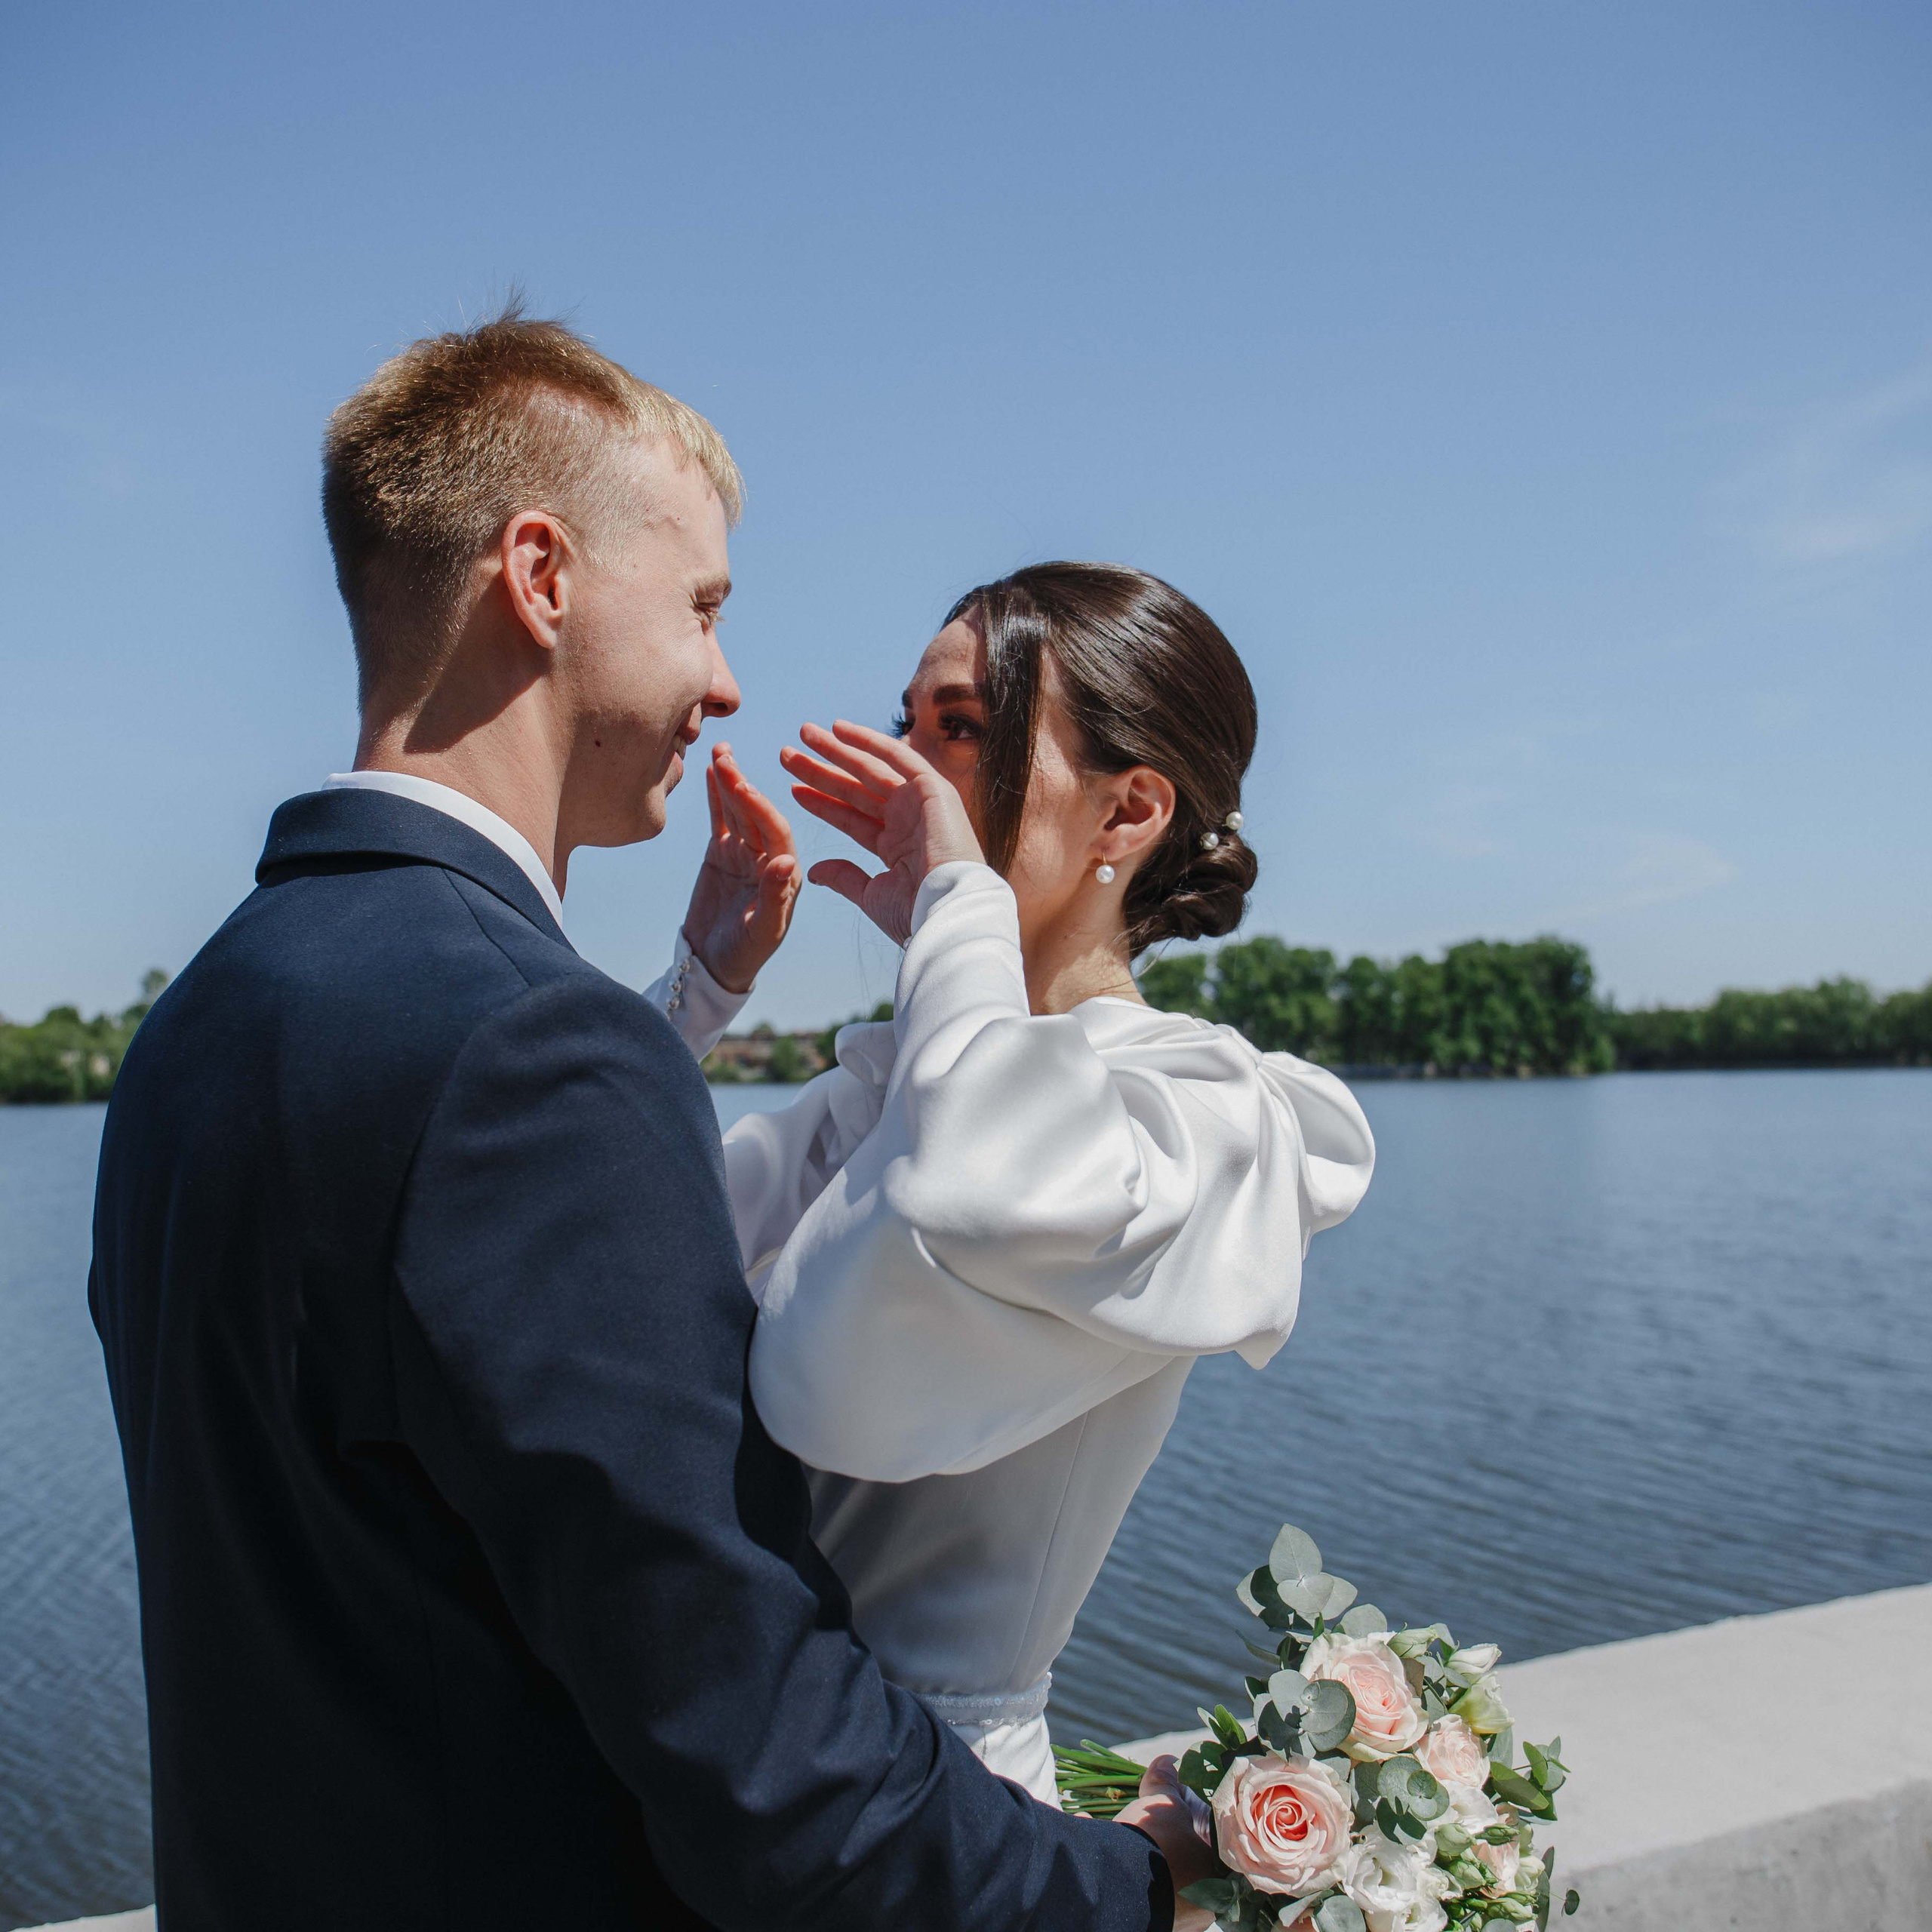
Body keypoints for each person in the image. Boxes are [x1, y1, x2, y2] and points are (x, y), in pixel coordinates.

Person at [88, 312, 1205, 1930]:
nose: (726, 679)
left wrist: (685, 994)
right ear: (540, 579)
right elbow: (770, 1763)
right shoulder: (535, 1053)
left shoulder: (198, 1020)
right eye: (701, 604)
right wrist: (1122, 1878)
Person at [649, 564, 1376, 1802]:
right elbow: (612, 1259)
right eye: (909, 723)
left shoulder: (1206, 1120)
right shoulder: (901, 1086)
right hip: (734, 1773)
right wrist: (697, 993)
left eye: (964, 728)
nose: (909, 772)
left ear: (1127, 812)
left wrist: (957, 906)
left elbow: (948, 1213)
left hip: (937, 1818)